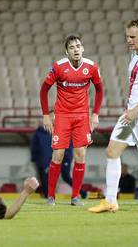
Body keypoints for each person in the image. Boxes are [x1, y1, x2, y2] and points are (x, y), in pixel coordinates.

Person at [88, 19, 138, 214]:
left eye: (133, 37)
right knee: (112, 151)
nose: (129, 40)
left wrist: (135, 111)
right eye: (127, 37)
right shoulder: (135, 56)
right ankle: (110, 201)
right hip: (131, 115)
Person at [40, 35, 104, 206]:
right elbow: (44, 89)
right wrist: (46, 115)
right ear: (66, 52)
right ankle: (51, 196)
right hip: (62, 116)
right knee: (58, 155)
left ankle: (75, 197)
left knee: (80, 155)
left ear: (82, 48)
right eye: (72, 47)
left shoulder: (91, 67)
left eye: (78, 46)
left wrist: (95, 114)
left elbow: (99, 90)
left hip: (82, 116)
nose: (76, 50)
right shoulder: (59, 67)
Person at [30, 119, 87, 198]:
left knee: (64, 176)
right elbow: (36, 148)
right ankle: (49, 196)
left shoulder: (60, 130)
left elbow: (67, 145)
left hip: (60, 158)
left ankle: (80, 192)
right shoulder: (40, 134)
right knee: (46, 178)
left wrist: (67, 157)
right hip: (46, 160)